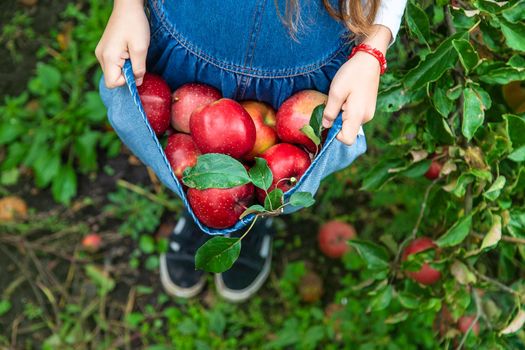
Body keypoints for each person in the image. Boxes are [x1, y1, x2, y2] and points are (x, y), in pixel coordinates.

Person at [96, 0, 406, 302]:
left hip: (303, 71)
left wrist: (373, 47)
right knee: (184, 150)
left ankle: (256, 213)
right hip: (188, 44)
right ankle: (202, 204)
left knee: (277, 176)